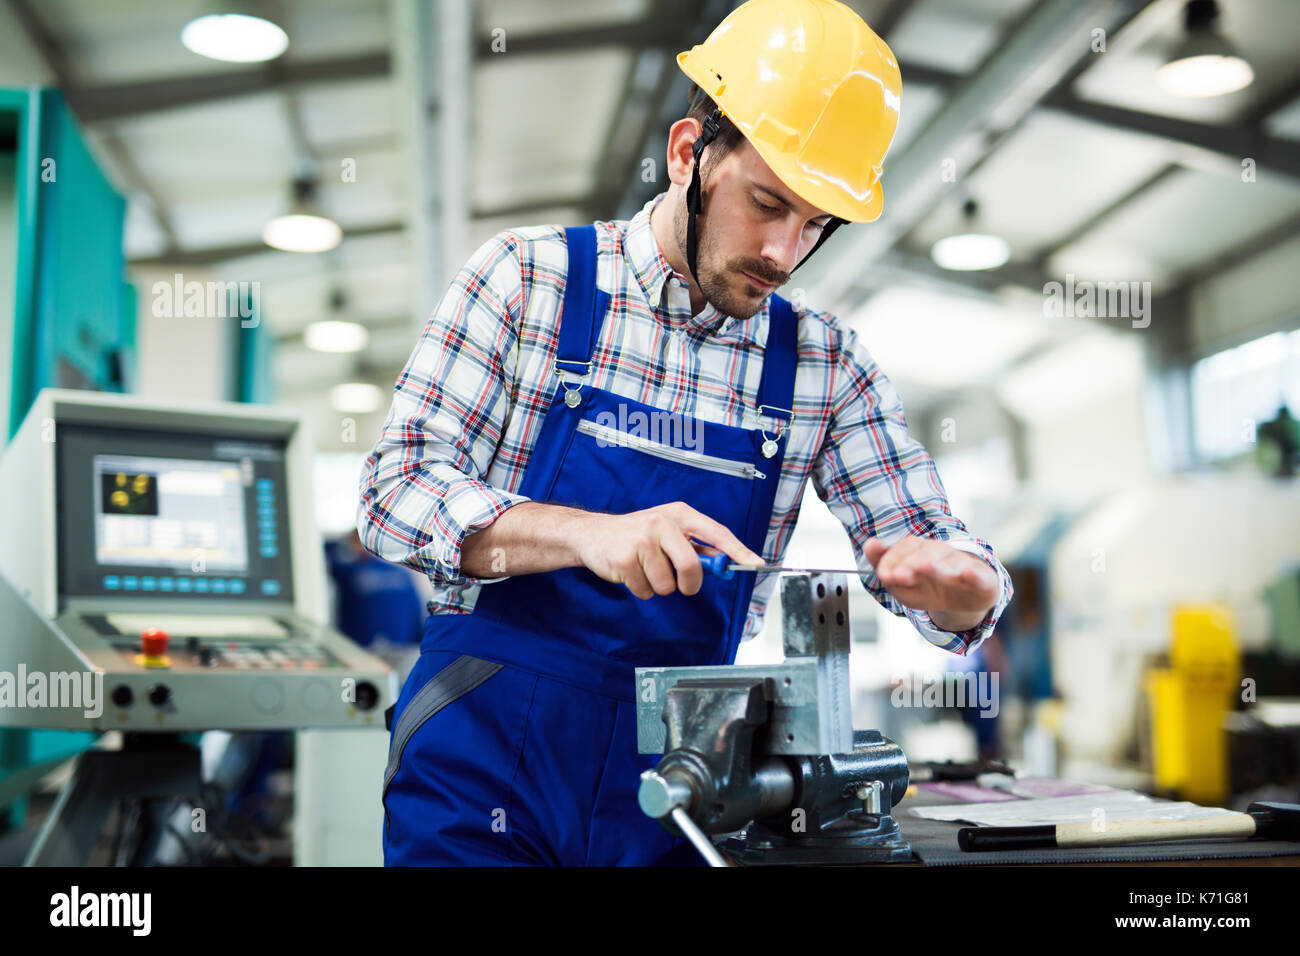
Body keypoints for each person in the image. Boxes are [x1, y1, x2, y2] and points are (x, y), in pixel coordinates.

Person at [361, 0, 1013, 866]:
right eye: (767, 202)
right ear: (686, 155)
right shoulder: (529, 280)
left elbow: (929, 545)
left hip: (680, 793)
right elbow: (393, 491)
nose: (783, 251)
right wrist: (585, 535)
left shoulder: (823, 363)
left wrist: (963, 590)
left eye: (816, 223)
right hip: (481, 770)